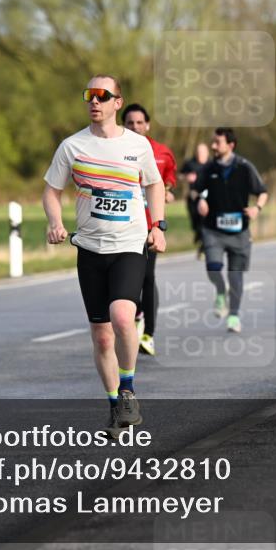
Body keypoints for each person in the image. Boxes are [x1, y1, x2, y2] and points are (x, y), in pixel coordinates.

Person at [43, 75, 166, 435]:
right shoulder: (72, 147)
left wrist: (157, 225)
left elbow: (154, 183)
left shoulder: (137, 146)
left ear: (117, 102)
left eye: (103, 96)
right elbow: (51, 191)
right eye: (89, 95)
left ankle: (127, 389)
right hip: (90, 249)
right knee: (101, 335)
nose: (94, 101)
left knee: (123, 317)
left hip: (129, 244)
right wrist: (55, 221)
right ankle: (116, 407)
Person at [194, 128, 267, 333]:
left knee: (236, 276)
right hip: (213, 229)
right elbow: (197, 190)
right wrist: (200, 200)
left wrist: (256, 208)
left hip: (239, 231)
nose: (213, 146)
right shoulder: (208, 168)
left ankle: (234, 315)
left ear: (230, 145)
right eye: (213, 142)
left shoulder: (244, 167)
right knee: (213, 268)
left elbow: (262, 192)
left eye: (218, 142)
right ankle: (220, 290)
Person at [123, 103, 177, 357]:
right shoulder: (115, 150)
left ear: (148, 125)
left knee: (147, 276)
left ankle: (148, 334)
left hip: (149, 226)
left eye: (139, 122)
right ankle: (136, 315)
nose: (135, 127)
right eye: (130, 123)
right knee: (127, 280)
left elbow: (167, 182)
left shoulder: (162, 153)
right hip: (122, 226)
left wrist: (167, 194)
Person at [179, 144, 210, 257]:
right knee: (195, 221)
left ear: (207, 153)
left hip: (207, 197)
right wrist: (187, 177)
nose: (200, 155)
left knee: (204, 221)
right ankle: (198, 236)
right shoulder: (190, 163)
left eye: (202, 152)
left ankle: (203, 246)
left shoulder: (211, 164)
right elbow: (180, 175)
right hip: (192, 197)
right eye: (198, 152)